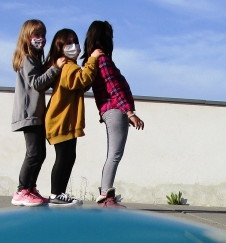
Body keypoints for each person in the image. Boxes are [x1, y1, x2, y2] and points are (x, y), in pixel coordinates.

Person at [81, 21, 144, 209]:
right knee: (114, 154)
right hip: (115, 110)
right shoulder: (103, 60)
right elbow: (114, 88)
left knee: (114, 154)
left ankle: (106, 195)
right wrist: (129, 113)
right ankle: (106, 197)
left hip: (112, 110)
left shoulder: (95, 60)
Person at [44, 29, 103, 207]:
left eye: (75, 41)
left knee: (69, 157)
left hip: (65, 121)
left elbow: (80, 85)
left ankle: (60, 194)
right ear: (59, 47)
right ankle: (55, 194)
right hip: (60, 121)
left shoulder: (70, 66)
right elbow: (82, 80)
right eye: (68, 42)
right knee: (63, 157)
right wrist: (92, 60)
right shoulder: (67, 66)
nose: (74, 46)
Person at [11, 19, 66, 207]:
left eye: (43, 35)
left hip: (36, 114)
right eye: (37, 34)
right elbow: (36, 83)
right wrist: (55, 68)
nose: (41, 38)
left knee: (40, 153)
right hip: (30, 114)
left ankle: (30, 187)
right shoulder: (27, 58)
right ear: (27, 36)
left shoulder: (34, 59)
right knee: (34, 153)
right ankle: (22, 190)